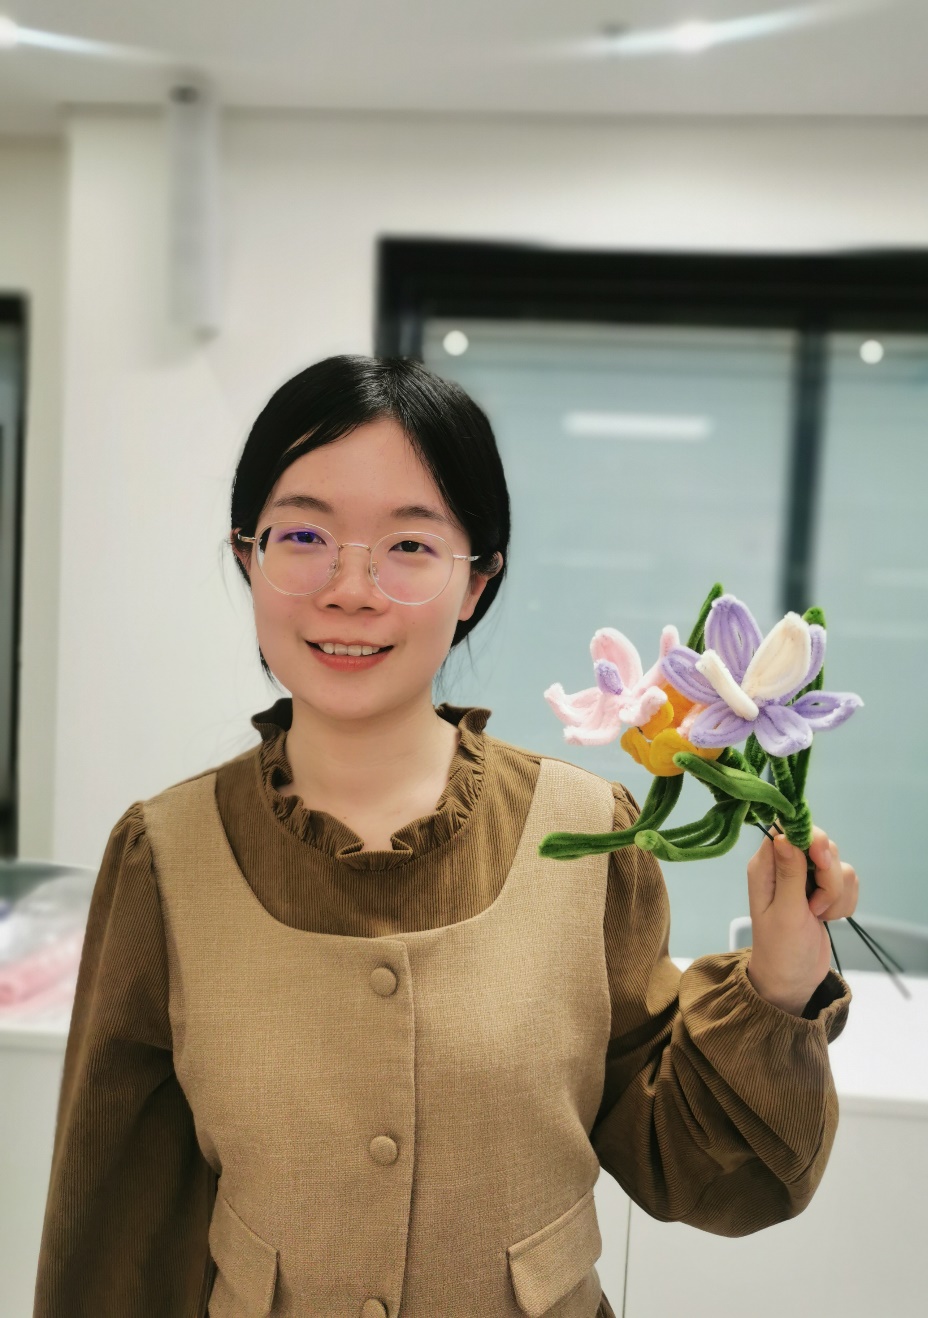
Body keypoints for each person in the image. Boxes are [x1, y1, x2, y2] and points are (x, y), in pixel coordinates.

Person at [33, 354, 857, 1318]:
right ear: (248, 558)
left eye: (410, 546)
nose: (351, 589)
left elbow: (692, 1163)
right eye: (302, 536)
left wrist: (780, 985)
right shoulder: (164, 858)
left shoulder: (587, 837)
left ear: (478, 580)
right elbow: (119, 1219)